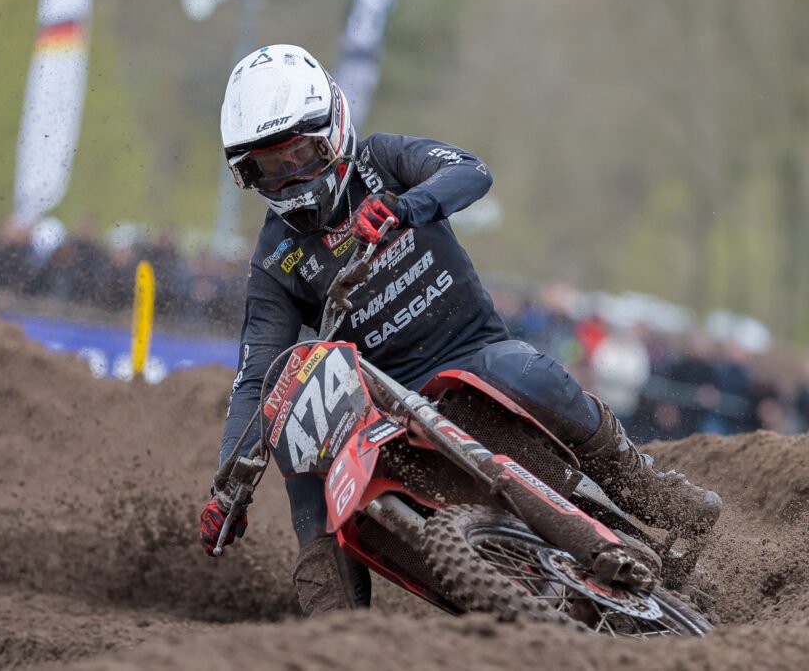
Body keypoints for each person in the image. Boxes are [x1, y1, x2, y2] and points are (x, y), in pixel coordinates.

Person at [198, 44, 721, 616]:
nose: (290, 177)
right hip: (382, 405)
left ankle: (648, 487)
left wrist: (407, 207)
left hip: (470, 351)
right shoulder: (276, 259)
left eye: (299, 154)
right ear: (246, 174)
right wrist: (228, 487)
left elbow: (471, 171)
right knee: (301, 450)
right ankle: (339, 631)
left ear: (333, 130)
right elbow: (257, 377)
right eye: (269, 167)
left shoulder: (381, 162)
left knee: (519, 368)